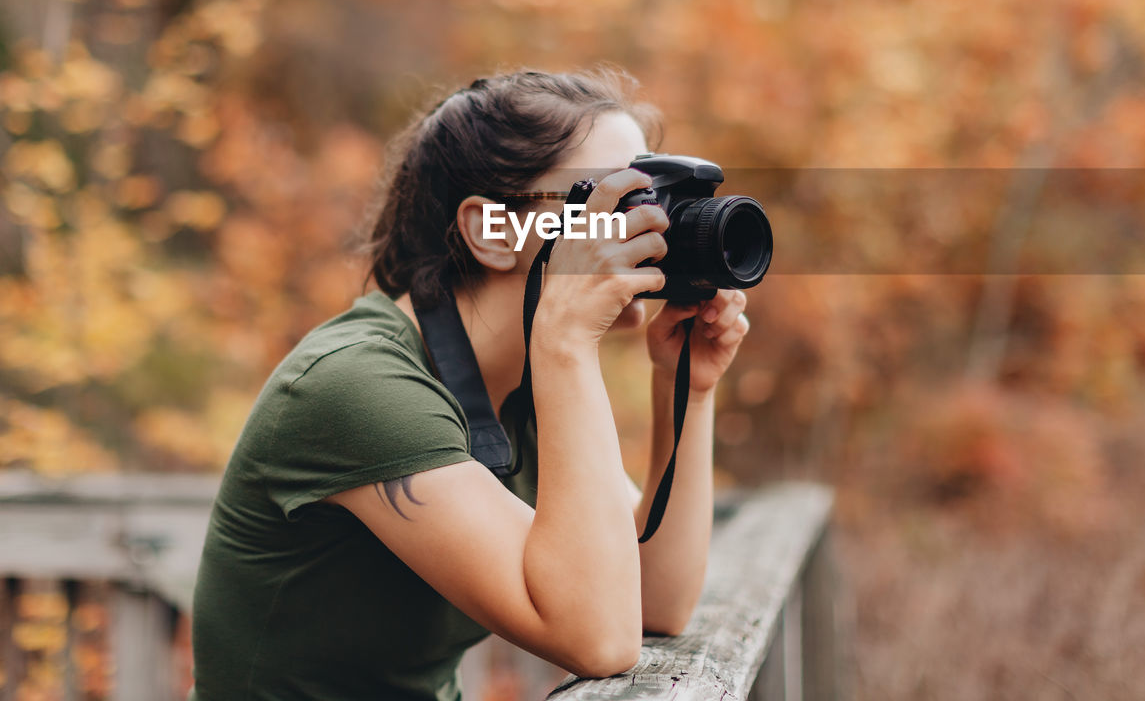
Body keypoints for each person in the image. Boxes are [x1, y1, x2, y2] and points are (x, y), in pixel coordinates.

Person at [190, 69, 751, 701]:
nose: (649, 231)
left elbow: (656, 601)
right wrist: (566, 343)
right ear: (491, 231)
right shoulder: (356, 384)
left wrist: (686, 391)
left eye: (655, 201)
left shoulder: (522, 385)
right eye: (610, 203)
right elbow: (600, 637)